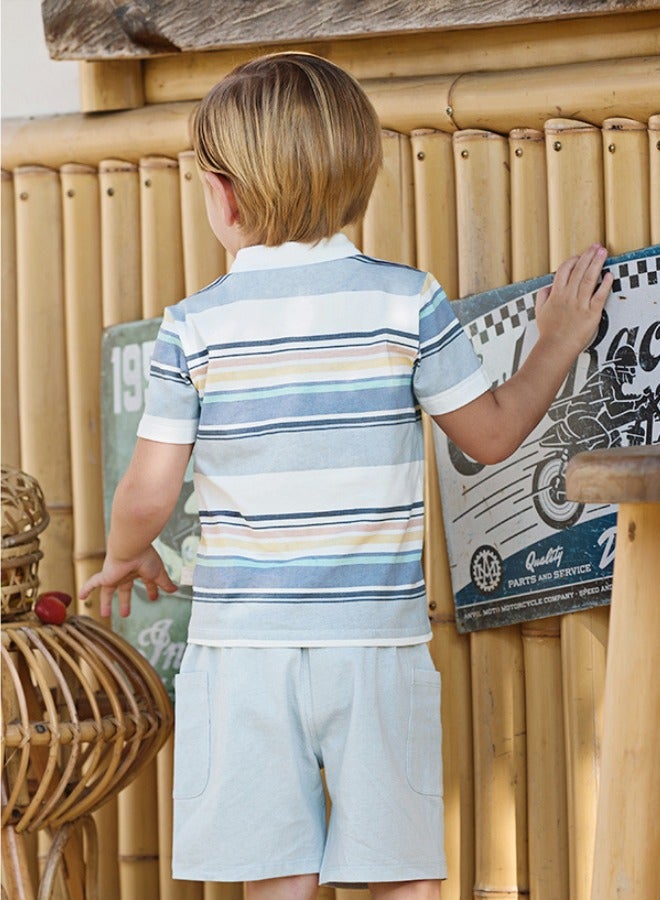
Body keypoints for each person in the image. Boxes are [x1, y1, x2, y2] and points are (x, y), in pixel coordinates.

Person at [80, 52, 612, 900]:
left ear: (222, 194)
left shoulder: (195, 328)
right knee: (400, 875)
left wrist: (125, 555)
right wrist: (555, 340)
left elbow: (148, 493)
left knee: (277, 879)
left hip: (244, 653)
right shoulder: (408, 303)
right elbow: (495, 434)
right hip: (375, 645)